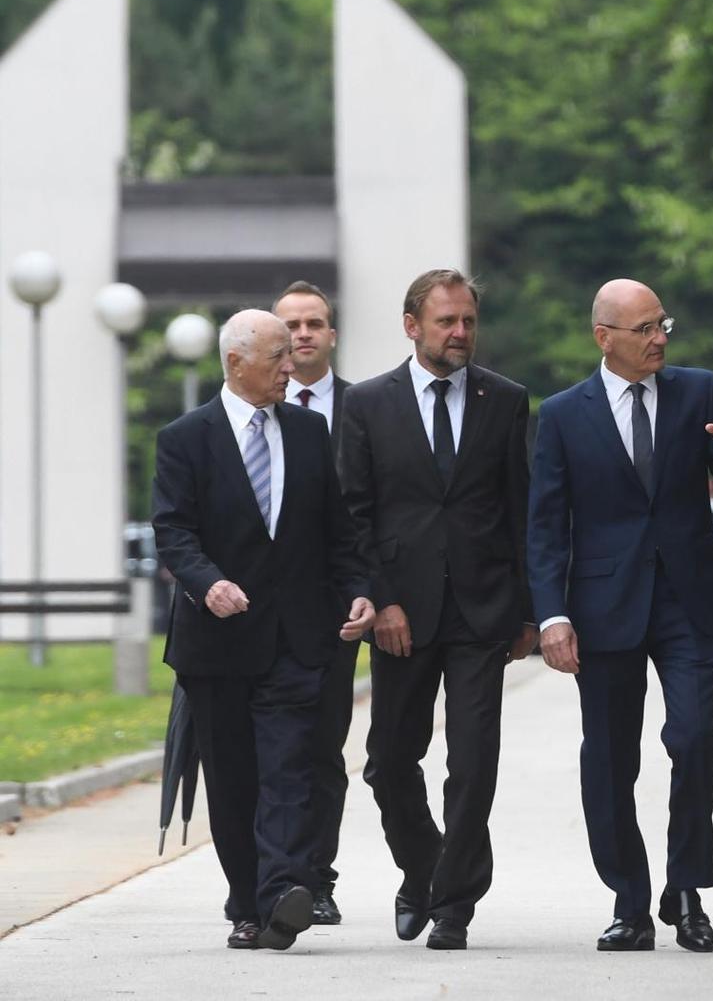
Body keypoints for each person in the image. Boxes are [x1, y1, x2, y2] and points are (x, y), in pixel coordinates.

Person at [528, 278, 713, 953]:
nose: (660, 339)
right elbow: (545, 524)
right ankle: (629, 900)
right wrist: (550, 615)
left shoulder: (699, 390)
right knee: (608, 759)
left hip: (685, 598)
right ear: (604, 336)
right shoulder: (565, 414)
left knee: (694, 738)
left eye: (664, 325)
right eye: (645, 329)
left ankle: (686, 889)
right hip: (602, 606)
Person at [152, 309, 375, 952]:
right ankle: (248, 903)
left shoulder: (308, 432)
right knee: (235, 778)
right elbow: (174, 530)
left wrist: (359, 590)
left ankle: (282, 892)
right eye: (278, 355)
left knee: (290, 769)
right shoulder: (184, 438)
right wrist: (206, 582)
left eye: (292, 354)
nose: (291, 365)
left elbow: (339, 533)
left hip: (298, 639)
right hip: (217, 643)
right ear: (235, 363)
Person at [337, 268, 538, 951]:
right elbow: (354, 516)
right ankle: (422, 869)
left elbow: (522, 510)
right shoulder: (366, 404)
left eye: (468, 322)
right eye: (447, 321)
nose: (460, 333)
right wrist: (382, 598)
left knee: (474, 762)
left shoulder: (505, 400)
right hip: (403, 613)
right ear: (411, 325)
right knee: (390, 761)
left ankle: (454, 905)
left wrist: (530, 611)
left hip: (485, 610)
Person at [271, 280, 353, 927]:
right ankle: (277, 877)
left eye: (314, 324)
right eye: (291, 325)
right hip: (263, 615)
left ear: (332, 334)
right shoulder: (256, 408)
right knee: (274, 752)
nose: (303, 334)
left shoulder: (369, 408)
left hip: (335, 615)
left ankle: (316, 878)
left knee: (323, 749)